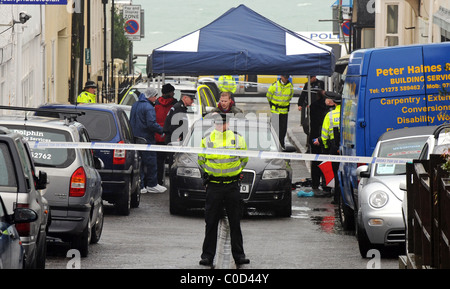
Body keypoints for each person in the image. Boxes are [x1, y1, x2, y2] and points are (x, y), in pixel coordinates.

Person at [198, 113, 249, 267]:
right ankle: (207, 256)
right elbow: (201, 160)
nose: (220, 126)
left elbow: (244, 159)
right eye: (217, 123)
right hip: (214, 186)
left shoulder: (237, 139)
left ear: (228, 124)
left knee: (235, 222)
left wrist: (232, 172)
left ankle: (239, 255)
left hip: (231, 185)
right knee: (211, 222)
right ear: (214, 124)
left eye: (222, 123)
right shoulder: (207, 139)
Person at [130, 87, 166, 194]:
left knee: (139, 163)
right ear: (150, 96)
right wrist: (162, 131)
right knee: (151, 162)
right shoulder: (149, 107)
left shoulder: (135, 105)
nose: (156, 98)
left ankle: (140, 186)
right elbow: (151, 124)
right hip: (146, 139)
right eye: (155, 96)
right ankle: (152, 184)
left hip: (135, 138)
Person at [314, 91, 342, 201]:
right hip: (346, 147)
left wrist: (324, 146)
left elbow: (325, 135)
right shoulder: (347, 113)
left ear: (331, 101)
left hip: (334, 148)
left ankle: (336, 198)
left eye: (326, 98)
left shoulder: (330, 115)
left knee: (336, 174)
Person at [307, 88, 331, 196]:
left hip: (314, 137)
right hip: (325, 139)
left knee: (315, 161)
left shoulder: (313, 106)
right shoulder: (328, 108)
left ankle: (315, 183)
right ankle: (326, 183)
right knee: (325, 160)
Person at [155, 83, 178, 185]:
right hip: (170, 135)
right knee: (172, 160)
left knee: (159, 161)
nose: (173, 93)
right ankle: (173, 182)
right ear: (170, 92)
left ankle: (159, 181)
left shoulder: (156, 103)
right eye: (172, 91)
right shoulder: (175, 104)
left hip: (157, 135)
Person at [266, 74, 294, 148]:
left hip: (284, 111)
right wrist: (272, 104)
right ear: (281, 77)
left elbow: (290, 96)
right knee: (275, 129)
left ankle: (281, 144)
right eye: (285, 77)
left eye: (287, 77)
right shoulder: (274, 85)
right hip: (275, 111)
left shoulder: (290, 86)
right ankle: (274, 144)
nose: (286, 79)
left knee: (283, 129)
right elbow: (268, 95)